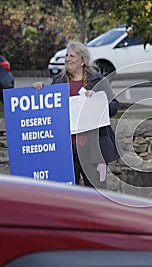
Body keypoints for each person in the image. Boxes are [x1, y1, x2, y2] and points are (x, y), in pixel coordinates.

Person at [34, 40, 120, 188]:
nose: (67, 59)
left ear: (82, 61)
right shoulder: (58, 81)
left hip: (91, 148)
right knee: (69, 193)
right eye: (66, 56)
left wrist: (97, 100)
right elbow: (48, 109)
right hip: (66, 148)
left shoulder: (97, 81)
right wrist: (40, 91)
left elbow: (114, 107)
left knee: (95, 191)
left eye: (72, 56)